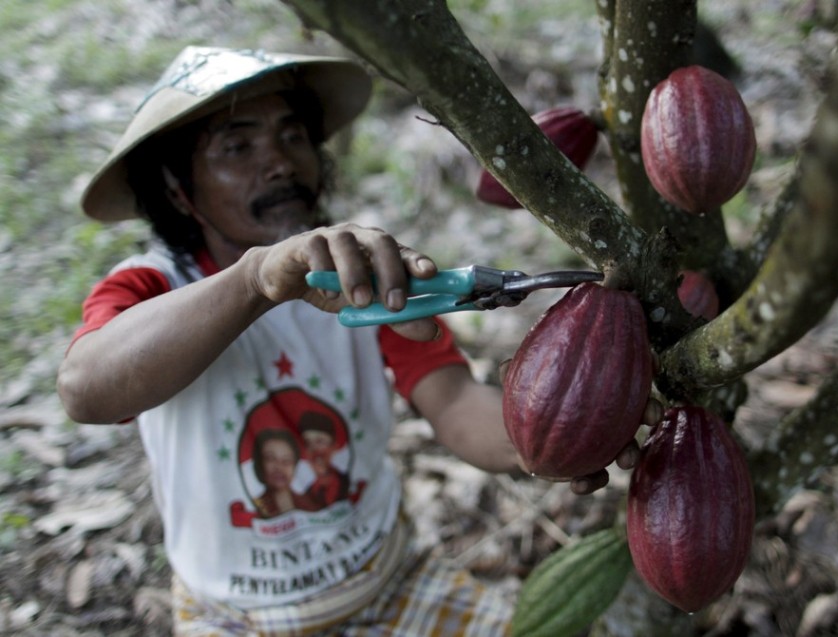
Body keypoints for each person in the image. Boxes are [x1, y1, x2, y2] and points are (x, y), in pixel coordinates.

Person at [57, 46, 624, 636]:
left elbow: (454, 403)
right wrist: (256, 280)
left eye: (293, 135)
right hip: (234, 617)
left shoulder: (358, 274)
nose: (279, 162)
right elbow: (86, 390)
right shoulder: (153, 287)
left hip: (391, 581)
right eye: (237, 146)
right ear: (178, 189)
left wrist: (545, 439)